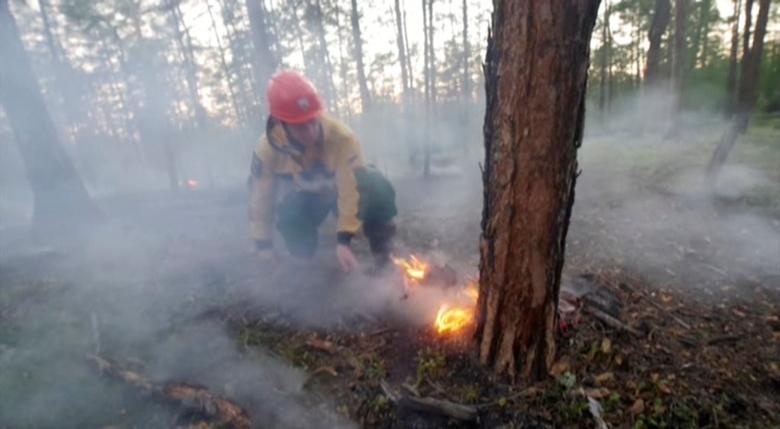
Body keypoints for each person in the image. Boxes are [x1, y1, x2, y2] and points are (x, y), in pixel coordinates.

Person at [248, 71, 397, 273]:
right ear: (281, 123)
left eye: (312, 121)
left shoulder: (342, 138)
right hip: (306, 196)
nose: (309, 132)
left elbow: (351, 188)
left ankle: (384, 257)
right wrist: (262, 243)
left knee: (375, 184)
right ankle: (307, 266)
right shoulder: (267, 150)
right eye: (300, 127)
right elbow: (260, 197)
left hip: (340, 191)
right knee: (291, 217)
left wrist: (344, 239)